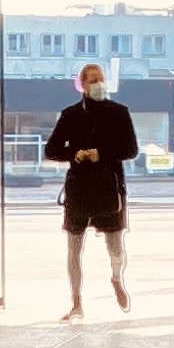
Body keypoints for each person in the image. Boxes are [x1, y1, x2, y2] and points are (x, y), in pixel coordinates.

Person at [43, 62, 139, 318]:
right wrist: (74, 154)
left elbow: (131, 149)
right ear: (82, 85)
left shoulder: (119, 112)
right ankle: (76, 302)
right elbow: (51, 150)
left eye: (100, 79)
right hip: (80, 188)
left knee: (116, 246)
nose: (97, 84)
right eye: (92, 80)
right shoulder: (71, 115)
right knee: (74, 249)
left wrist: (101, 154)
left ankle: (116, 278)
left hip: (109, 187)